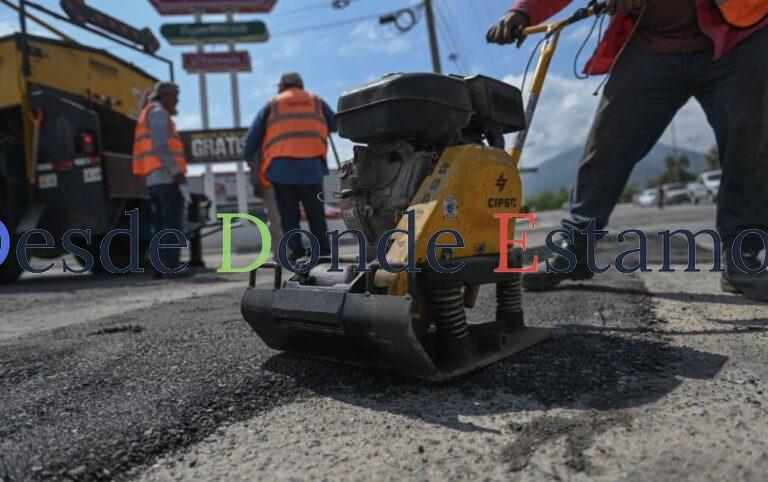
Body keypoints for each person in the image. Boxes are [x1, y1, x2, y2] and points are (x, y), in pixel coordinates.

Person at [487, 0, 768, 301]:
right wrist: (523, 11)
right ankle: (575, 250)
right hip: (650, 46)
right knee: (607, 143)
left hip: (737, 38)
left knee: (749, 140)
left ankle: (743, 256)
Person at [243, 72, 336, 264]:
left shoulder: (273, 104)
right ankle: (323, 251)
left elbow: (252, 139)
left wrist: (248, 157)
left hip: (281, 169)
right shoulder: (316, 101)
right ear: (300, 85)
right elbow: (335, 125)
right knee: (316, 213)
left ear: (282, 86)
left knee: (289, 215)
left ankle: (297, 254)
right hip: (312, 168)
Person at [132, 82, 191, 279]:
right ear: (165, 95)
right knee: (171, 224)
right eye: (175, 95)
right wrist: (175, 171)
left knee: (160, 225)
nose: (178, 99)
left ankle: (160, 267)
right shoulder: (158, 113)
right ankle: (170, 266)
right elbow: (160, 146)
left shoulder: (147, 113)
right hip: (166, 178)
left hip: (154, 179)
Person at [248, 155, 283, 260]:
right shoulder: (259, 140)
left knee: (278, 219)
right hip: (271, 183)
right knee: (276, 219)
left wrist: (255, 182)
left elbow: (250, 157)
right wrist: (256, 182)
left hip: (277, 182)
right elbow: (251, 159)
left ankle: (284, 251)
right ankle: (280, 252)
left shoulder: (259, 141)